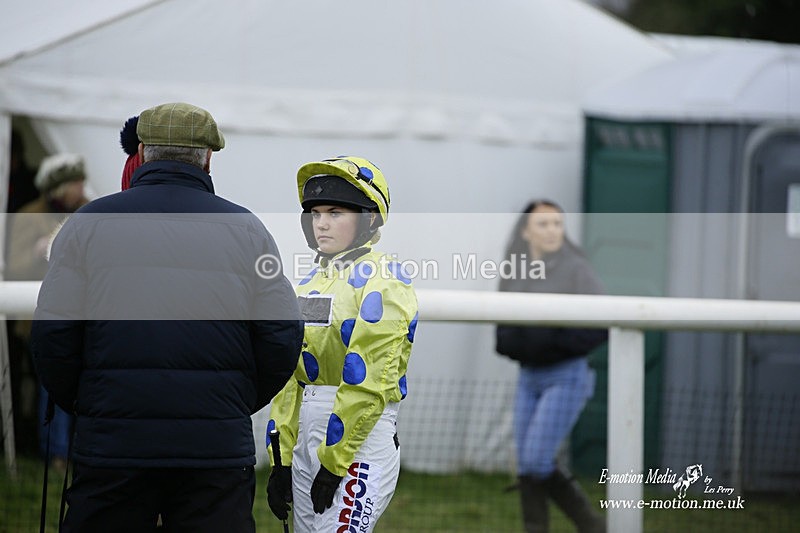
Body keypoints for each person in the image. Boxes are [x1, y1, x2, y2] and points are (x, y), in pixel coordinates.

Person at [30, 102, 304, 533]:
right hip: (214, 447)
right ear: (209, 158)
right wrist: (233, 402)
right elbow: (282, 336)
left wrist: (91, 403)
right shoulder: (248, 230)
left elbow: (53, 336)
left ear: (140, 151)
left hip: (113, 443)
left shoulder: (86, 225)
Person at [266, 156, 418, 532]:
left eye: (335, 212)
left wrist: (335, 464)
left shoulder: (386, 281)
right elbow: (290, 378)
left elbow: (368, 382)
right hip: (306, 437)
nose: (322, 223)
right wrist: (281, 459)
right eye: (316, 213)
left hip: (361, 441)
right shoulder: (307, 284)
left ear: (368, 219)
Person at [495, 200, 607, 533]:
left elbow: (600, 325)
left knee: (536, 460)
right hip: (528, 377)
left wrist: (552, 346)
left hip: (567, 376)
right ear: (526, 230)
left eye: (557, 223)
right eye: (543, 224)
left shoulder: (576, 268)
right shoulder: (514, 268)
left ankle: (592, 526)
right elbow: (503, 327)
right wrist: (521, 347)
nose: (552, 230)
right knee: (529, 465)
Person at [5, 152, 89, 467]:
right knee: (51, 385)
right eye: (76, 182)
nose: (81, 187)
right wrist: (38, 251)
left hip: (80, 316)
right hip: (38, 319)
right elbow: (14, 266)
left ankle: (76, 452)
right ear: (60, 187)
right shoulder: (29, 215)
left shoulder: (86, 214)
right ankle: (56, 454)